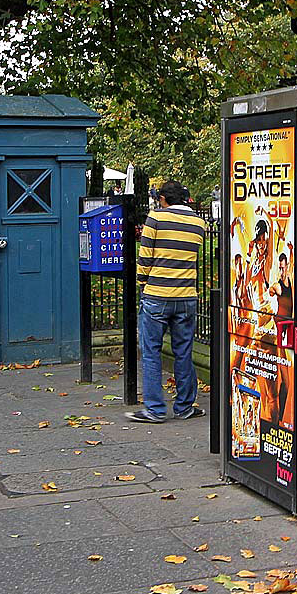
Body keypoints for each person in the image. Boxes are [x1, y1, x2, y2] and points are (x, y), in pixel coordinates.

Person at [126, 179, 207, 423]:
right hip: (186, 296)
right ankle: (184, 406)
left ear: (163, 199)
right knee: (184, 352)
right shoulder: (198, 223)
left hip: (157, 295)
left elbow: (145, 257)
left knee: (151, 352)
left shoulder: (156, 218)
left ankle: (155, 409)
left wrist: (143, 284)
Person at [268, 248, 293, 319]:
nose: (281, 272)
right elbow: (270, 292)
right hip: (280, 321)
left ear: (286, 266)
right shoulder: (277, 285)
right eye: (279, 269)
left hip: (289, 321)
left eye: (282, 268)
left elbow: (291, 263)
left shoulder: (289, 277)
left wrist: (291, 250)